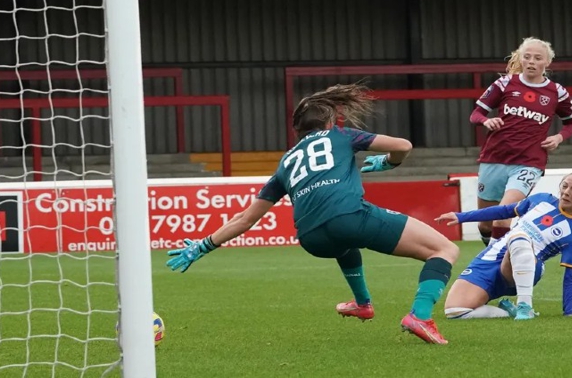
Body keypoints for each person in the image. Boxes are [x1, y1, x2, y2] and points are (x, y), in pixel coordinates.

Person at [166, 83, 459, 345]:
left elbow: (246, 218)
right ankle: (420, 316)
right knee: (444, 249)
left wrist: (203, 245)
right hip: (348, 217)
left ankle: (363, 304)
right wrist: (386, 162)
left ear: (298, 130)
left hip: (310, 238)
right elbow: (403, 146)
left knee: (344, 243)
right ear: (331, 121)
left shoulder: (286, 162)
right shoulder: (342, 135)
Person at [435, 169, 572, 320]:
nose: (566, 192)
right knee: (455, 311)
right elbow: (503, 211)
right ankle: (507, 312)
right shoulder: (542, 199)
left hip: (526, 267)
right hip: (491, 258)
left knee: (519, 237)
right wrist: (461, 217)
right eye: (565, 186)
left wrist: (569, 313)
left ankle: (525, 305)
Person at [470, 37, 572, 246]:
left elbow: (571, 124)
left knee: (503, 215)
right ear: (520, 58)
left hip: (529, 162)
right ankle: (493, 249)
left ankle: (491, 264)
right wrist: (486, 120)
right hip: (494, 158)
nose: (531, 61)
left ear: (547, 62)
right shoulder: (504, 84)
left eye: (538, 58)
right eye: (527, 57)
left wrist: (558, 137)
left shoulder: (557, 92)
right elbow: (476, 114)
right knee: (486, 224)